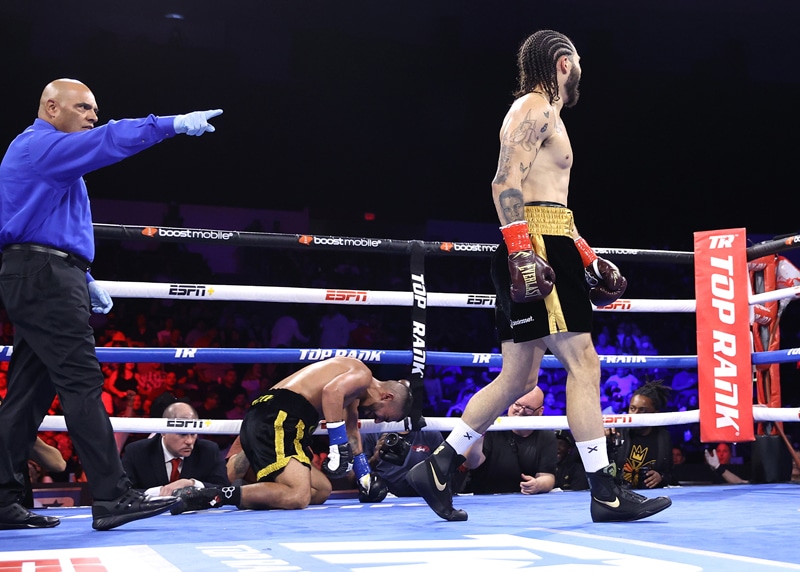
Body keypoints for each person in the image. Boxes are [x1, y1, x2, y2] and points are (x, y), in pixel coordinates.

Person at [406, 30, 671, 523]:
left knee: (518, 376)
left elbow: (552, 205)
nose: (582, 75)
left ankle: (440, 465)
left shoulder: (545, 115)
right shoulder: (536, 108)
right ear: (565, 63)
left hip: (544, 241)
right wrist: (523, 252)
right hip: (535, 246)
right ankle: (606, 492)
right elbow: (505, 182)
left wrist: (588, 258)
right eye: (580, 65)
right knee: (584, 364)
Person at [0, 77, 222, 530]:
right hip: (44, 277)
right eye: (82, 107)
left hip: (44, 273)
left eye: (94, 110)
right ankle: (112, 497)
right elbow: (109, 140)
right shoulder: (42, 147)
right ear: (50, 107)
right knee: (81, 384)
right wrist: (171, 124)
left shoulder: (47, 158)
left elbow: (41, 224)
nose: (91, 116)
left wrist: (80, 275)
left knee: (26, 396)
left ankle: (3, 501)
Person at [170, 356, 412, 513]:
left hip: (285, 424)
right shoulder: (361, 375)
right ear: (387, 397)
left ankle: (249, 489)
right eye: (385, 416)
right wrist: (336, 447)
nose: (378, 420)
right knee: (298, 496)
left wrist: (365, 479)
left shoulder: (354, 392)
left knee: (320, 491)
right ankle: (212, 496)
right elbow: (331, 392)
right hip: (278, 417)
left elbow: (351, 434)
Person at [121, 402, 229, 497]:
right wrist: (159, 492)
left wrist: (192, 484)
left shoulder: (208, 451)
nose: (190, 441)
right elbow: (123, 493)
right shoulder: (137, 452)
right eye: (182, 434)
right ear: (163, 431)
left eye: (193, 434)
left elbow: (225, 490)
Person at [462, 386, 557, 495]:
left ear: (540, 411)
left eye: (529, 408)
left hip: (525, 500)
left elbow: (548, 476)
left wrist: (538, 485)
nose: (521, 411)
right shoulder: (492, 427)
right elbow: (471, 463)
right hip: (484, 496)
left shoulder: (546, 435)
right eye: (517, 404)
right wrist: (479, 433)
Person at [606, 381, 673, 489]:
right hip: (618, 493)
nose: (635, 415)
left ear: (655, 413)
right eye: (632, 409)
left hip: (650, 496)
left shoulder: (663, 437)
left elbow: (671, 473)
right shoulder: (616, 431)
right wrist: (605, 441)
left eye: (642, 411)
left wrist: (661, 477)